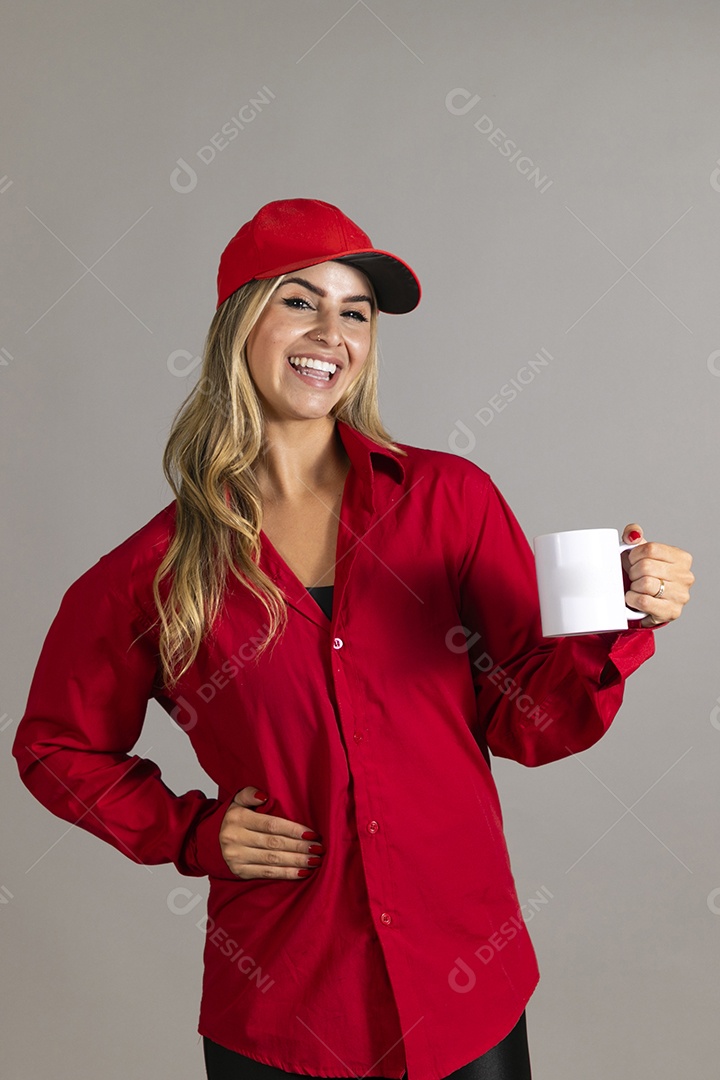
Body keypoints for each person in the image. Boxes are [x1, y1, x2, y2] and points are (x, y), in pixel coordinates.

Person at [12, 198, 694, 1080]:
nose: (331, 331)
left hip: (465, 994)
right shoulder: (155, 570)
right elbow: (55, 745)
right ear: (238, 321)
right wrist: (193, 834)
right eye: (301, 301)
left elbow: (529, 724)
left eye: (356, 313)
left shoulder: (449, 502)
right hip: (287, 1007)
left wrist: (617, 620)